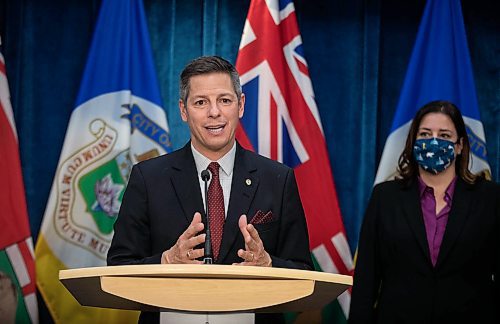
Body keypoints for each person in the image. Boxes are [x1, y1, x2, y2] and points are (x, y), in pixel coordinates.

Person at [107, 56, 313, 323]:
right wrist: (167, 261)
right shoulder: (148, 178)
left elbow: (303, 270)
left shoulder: (277, 178)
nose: (214, 112)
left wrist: (268, 264)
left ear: (241, 105)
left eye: (225, 100)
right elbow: (118, 267)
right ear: (183, 110)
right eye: (200, 102)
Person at [349, 100, 499, 323]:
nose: (434, 141)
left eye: (445, 135)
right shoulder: (385, 197)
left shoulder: (489, 198)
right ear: (413, 142)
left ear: (459, 146)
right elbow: (366, 279)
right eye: (425, 134)